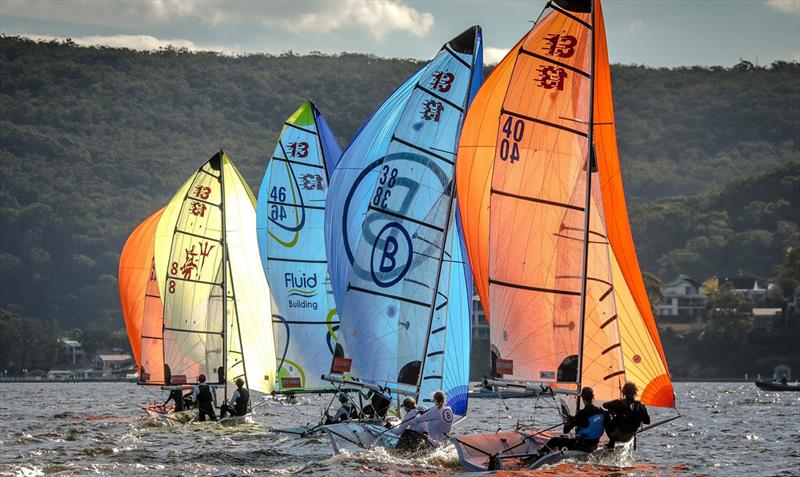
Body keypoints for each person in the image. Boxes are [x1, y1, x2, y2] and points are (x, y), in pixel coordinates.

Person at [535, 387, 606, 458]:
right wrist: (574, 419)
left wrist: (568, 421)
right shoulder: (600, 412)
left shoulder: (581, 413)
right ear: (593, 397)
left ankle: (539, 456)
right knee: (566, 439)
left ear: (582, 397)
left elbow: (566, 430)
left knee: (554, 440)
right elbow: (588, 422)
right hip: (593, 446)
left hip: (581, 446)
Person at [603, 382, 650, 448]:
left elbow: (604, 405)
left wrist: (615, 406)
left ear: (624, 392)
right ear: (635, 392)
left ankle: (611, 442)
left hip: (617, 436)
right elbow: (647, 422)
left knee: (605, 413)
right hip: (630, 437)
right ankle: (612, 442)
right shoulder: (641, 406)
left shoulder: (619, 402)